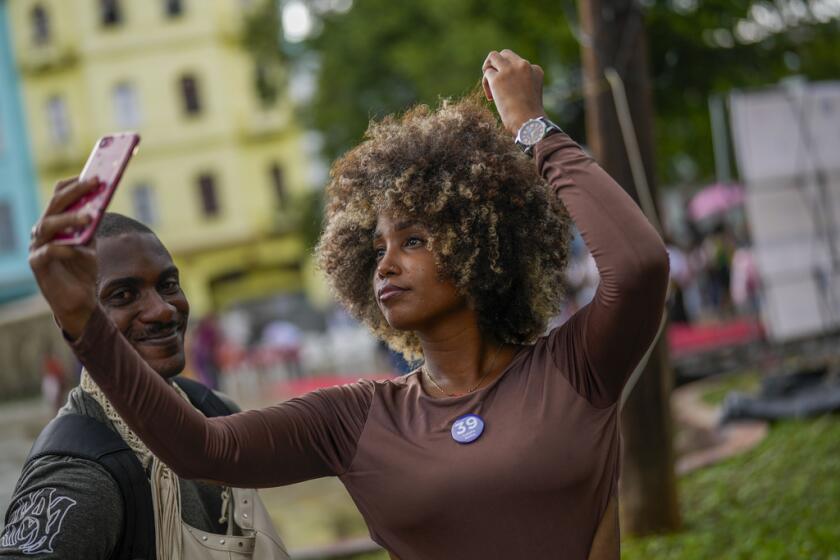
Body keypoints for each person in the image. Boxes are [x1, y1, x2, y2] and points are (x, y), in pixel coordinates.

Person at [27, 50, 668, 559]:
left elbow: (638, 267)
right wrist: (83, 323)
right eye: (377, 244)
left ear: (484, 243)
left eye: (413, 240)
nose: (384, 263)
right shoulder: (357, 419)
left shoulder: (575, 370)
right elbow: (203, 449)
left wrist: (531, 129)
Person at [4, 213, 284, 559]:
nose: (163, 310)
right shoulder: (83, 472)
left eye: (168, 285)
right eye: (123, 295)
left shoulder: (216, 410)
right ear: (71, 317)